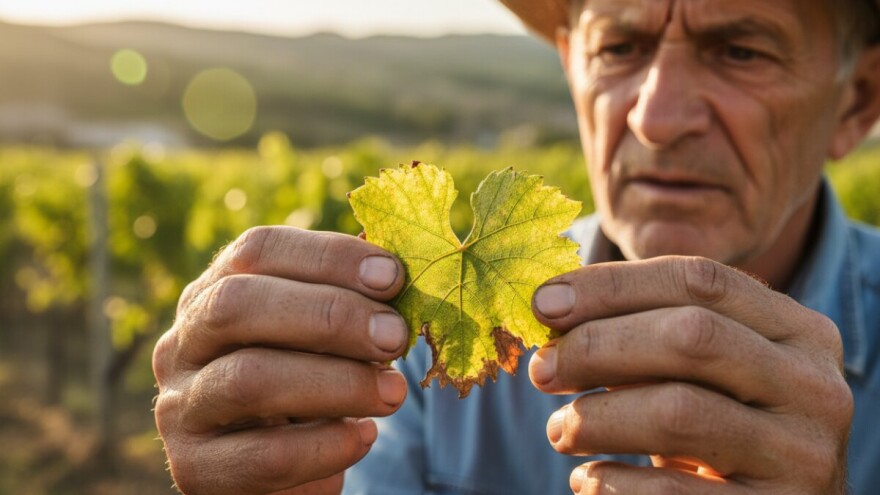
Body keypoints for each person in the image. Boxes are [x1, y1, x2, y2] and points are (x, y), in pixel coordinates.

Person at [151, 0, 880, 493]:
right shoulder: (428, 323)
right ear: (571, 68)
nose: (655, 118)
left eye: (740, 51)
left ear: (857, 103)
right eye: (620, 47)